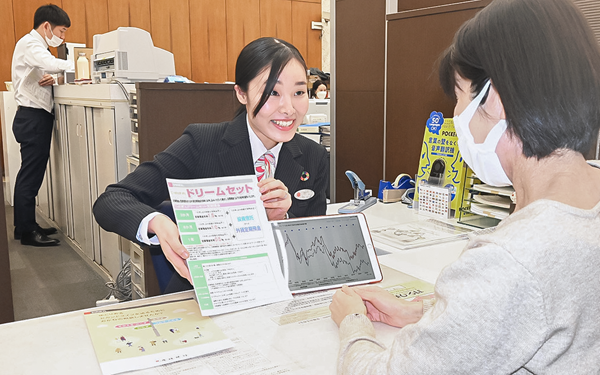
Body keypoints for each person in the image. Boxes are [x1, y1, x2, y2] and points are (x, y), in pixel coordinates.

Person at [329, 0, 600, 373]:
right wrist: (425, 313)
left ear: (496, 99)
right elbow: (530, 315)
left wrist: (353, 323)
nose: (456, 115)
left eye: (458, 96)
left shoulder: (510, 257)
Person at [93, 37, 329, 291]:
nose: (289, 108)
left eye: (299, 92)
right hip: (207, 293)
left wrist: (282, 218)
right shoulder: (203, 143)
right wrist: (157, 222)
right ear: (241, 93)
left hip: (280, 290)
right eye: (272, 92)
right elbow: (112, 200)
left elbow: (312, 248)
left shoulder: (313, 155)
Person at [11, 4, 74, 247]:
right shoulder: (31, 44)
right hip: (32, 117)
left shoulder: (34, 45)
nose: (63, 36)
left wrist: (58, 78)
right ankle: (27, 232)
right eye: (62, 30)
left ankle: (24, 225)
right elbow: (52, 64)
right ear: (47, 26)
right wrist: (83, 65)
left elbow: (47, 71)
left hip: (33, 116)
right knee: (31, 175)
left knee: (30, 173)